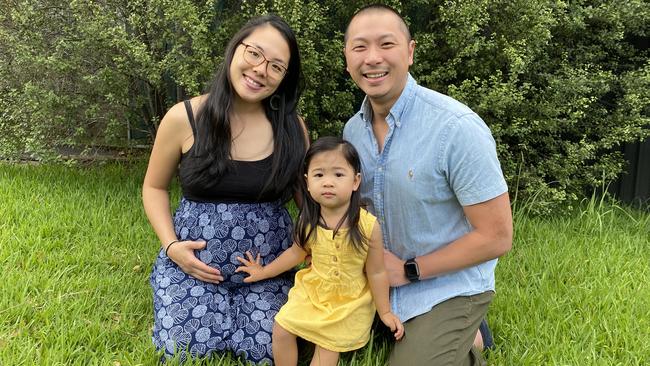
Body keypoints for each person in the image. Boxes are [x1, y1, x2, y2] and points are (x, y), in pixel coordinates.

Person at [342, 4, 513, 366]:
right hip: (379, 280)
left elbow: (497, 236)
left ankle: (464, 334)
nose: (372, 58)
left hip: (444, 284)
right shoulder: (352, 132)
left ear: (410, 52)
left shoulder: (456, 128)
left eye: (386, 44)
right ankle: (468, 333)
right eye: (359, 47)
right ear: (347, 59)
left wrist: (408, 270)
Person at [142, 14, 308, 365]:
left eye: (277, 66)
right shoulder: (183, 117)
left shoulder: (294, 129)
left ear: (283, 79)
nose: (261, 69)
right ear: (235, 50)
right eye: (255, 54)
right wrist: (172, 247)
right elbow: (154, 187)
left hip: (267, 271)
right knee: (183, 351)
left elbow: (309, 203)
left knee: (268, 351)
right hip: (193, 267)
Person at [235, 136, 404, 366]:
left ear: (355, 181)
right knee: (282, 329)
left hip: (347, 301)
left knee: (326, 350)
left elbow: (376, 272)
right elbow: (295, 254)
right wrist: (263, 271)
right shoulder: (308, 221)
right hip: (313, 291)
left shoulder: (367, 225)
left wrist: (384, 312)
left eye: (338, 174)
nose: (327, 182)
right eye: (319, 175)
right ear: (307, 182)